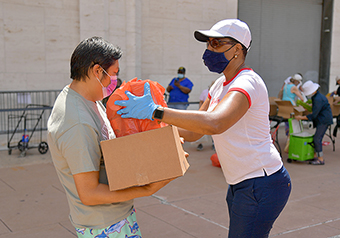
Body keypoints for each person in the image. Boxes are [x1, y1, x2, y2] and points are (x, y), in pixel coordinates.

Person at [115, 19, 291, 237]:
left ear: (237, 49)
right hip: (239, 183)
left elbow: (215, 123)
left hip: (262, 181)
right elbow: (194, 132)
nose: (209, 49)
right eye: (208, 43)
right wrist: (153, 125)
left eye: (216, 44)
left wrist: (157, 111)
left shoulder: (247, 82)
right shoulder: (219, 85)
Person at [47, 36, 171, 238]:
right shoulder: (77, 121)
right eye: (113, 74)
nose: (115, 81)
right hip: (104, 225)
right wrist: (146, 189)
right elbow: (89, 193)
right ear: (97, 71)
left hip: (116, 215)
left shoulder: (91, 101)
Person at [295, 80, 333, 165]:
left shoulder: (317, 99)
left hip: (323, 120)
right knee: (316, 138)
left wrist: (301, 117)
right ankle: (316, 155)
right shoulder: (317, 96)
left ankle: (320, 159)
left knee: (317, 138)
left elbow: (314, 115)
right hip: (324, 119)